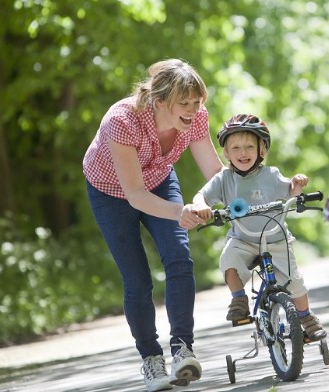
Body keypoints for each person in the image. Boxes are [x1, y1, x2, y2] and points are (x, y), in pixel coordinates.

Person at [82, 59, 224, 392]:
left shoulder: (196, 117)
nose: (193, 110)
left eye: (197, 102)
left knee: (179, 258)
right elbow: (134, 194)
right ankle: (151, 360)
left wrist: (244, 193)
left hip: (159, 180)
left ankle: (182, 350)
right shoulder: (122, 120)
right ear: (160, 102)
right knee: (137, 281)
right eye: (184, 104)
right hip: (112, 191)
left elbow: (215, 173)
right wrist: (180, 212)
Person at [192, 114, 327, 341]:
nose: (242, 153)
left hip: (275, 238)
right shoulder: (224, 179)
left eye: (248, 147)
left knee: (294, 281)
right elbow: (201, 196)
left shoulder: (270, 175)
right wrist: (200, 206)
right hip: (243, 239)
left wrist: (296, 185)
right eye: (235, 148)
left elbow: (289, 191)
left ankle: (306, 317)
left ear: (261, 150)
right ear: (226, 153)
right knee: (228, 262)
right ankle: (239, 299)